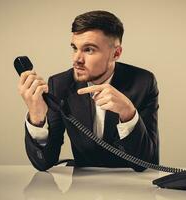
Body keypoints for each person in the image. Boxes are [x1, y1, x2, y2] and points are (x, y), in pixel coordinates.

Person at [18, 10, 159, 172]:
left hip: (132, 188)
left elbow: (147, 163)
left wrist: (128, 113)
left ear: (116, 53)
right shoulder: (60, 84)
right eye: (74, 48)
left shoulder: (143, 82)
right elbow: (43, 163)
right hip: (82, 189)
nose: (76, 59)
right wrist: (37, 117)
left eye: (89, 50)